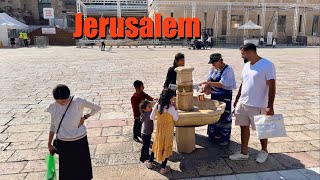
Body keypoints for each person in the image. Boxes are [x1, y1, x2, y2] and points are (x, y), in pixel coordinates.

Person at [229, 43, 276, 163]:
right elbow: (243, 83)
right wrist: (237, 99)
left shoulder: (267, 65)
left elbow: (272, 86)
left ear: (250, 52)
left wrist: (270, 106)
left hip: (259, 104)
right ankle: (244, 152)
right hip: (243, 103)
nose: (241, 56)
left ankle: (264, 151)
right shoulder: (246, 66)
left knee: (262, 129)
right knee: (243, 127)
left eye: (242, 53)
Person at [46, 84, 101, 180]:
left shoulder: (77, 101)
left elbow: (97, 107)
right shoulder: (53, 106)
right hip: (63, 142)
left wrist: (85, 117)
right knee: (67, 170)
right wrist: (49, 143)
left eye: (64, 101)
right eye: (59, 102)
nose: (62, 103)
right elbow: (53, 126)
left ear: (68, 96)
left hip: (80, 140)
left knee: (82, 167)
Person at [200, 53, 236, 146]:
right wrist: (206, 87)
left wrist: (209, 83)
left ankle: (223, 139)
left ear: (220, 61)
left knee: (224, 117)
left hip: (224, 97)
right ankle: (213, 136)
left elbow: (223, 84)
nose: (212, 65)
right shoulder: (214, 69)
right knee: (214, 116)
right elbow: (209, 81)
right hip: (214, 97)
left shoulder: (228, 70)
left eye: (214, 63)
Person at [146, 88, 179, 174]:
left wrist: (159, 118)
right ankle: (163, 168)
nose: (173, 98)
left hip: (159, 130)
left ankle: (150, 162)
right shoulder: (171, 108)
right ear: (169, 98)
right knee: (166, 147)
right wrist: (175, 108)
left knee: (156, 144)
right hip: (168, 131)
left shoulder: (157, 105)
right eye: (172, 97)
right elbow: (176, 118)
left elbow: (151, 117)